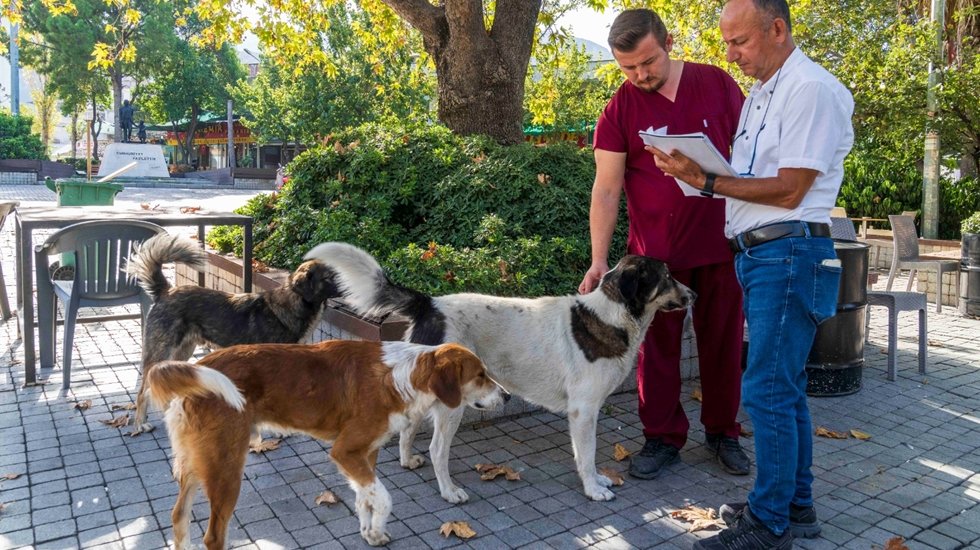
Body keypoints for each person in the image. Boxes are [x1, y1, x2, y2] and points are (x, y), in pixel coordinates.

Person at [648, 0, 854, 548]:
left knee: (764, 390)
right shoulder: (765, 93)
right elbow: (757, 177)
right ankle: (793, 506)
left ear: (777, 29)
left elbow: (790, 188)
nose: (731, 54)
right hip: (765, 255)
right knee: (782, 391)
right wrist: (698, 172)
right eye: (727, 43)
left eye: (739, 42)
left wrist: (708, 183)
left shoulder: (808, 88)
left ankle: (768, 526)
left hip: (787, 256)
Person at [578, 8, 750, 482]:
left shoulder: (717, 84)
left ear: (667, 41)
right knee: (655, 351)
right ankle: (660, 438)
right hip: (654, 262)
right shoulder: (620, 108)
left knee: (723, 344)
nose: (640, 75)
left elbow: (753, 154)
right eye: (628, 67)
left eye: (648, 62)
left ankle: (724, 433)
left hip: (722, 245)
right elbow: (606, 189)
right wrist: (598, 260)